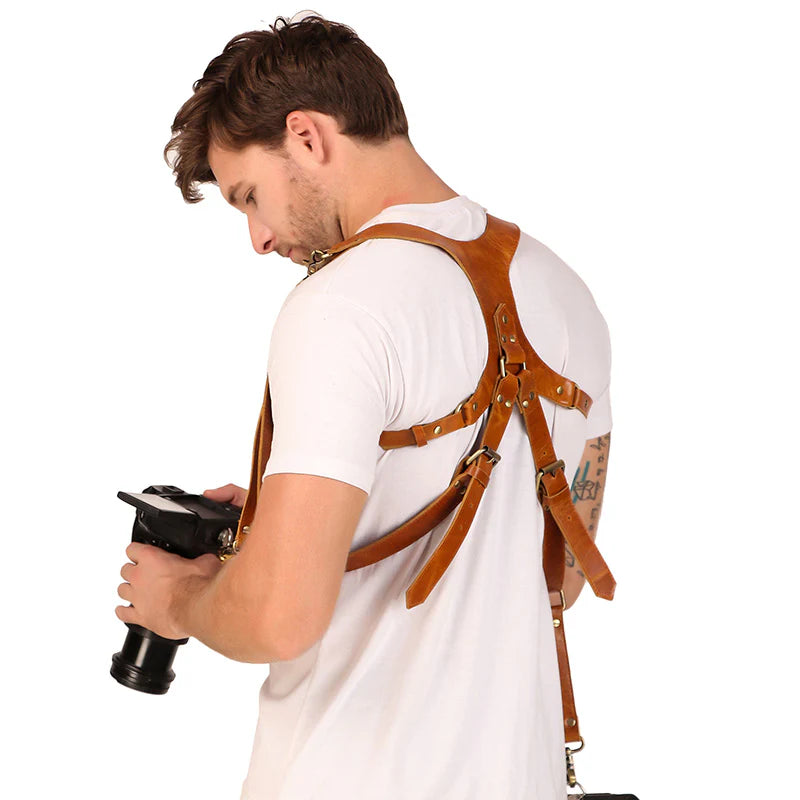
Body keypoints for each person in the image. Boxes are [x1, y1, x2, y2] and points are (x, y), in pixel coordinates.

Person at [115, 13, 612, 800]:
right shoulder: (565, 293)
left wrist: (177, 601)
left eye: (250, 196)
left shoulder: (343, 303)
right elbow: (561, 574)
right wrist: (297, 526)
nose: (258, 237)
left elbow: (281, 617)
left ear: (307, 136)